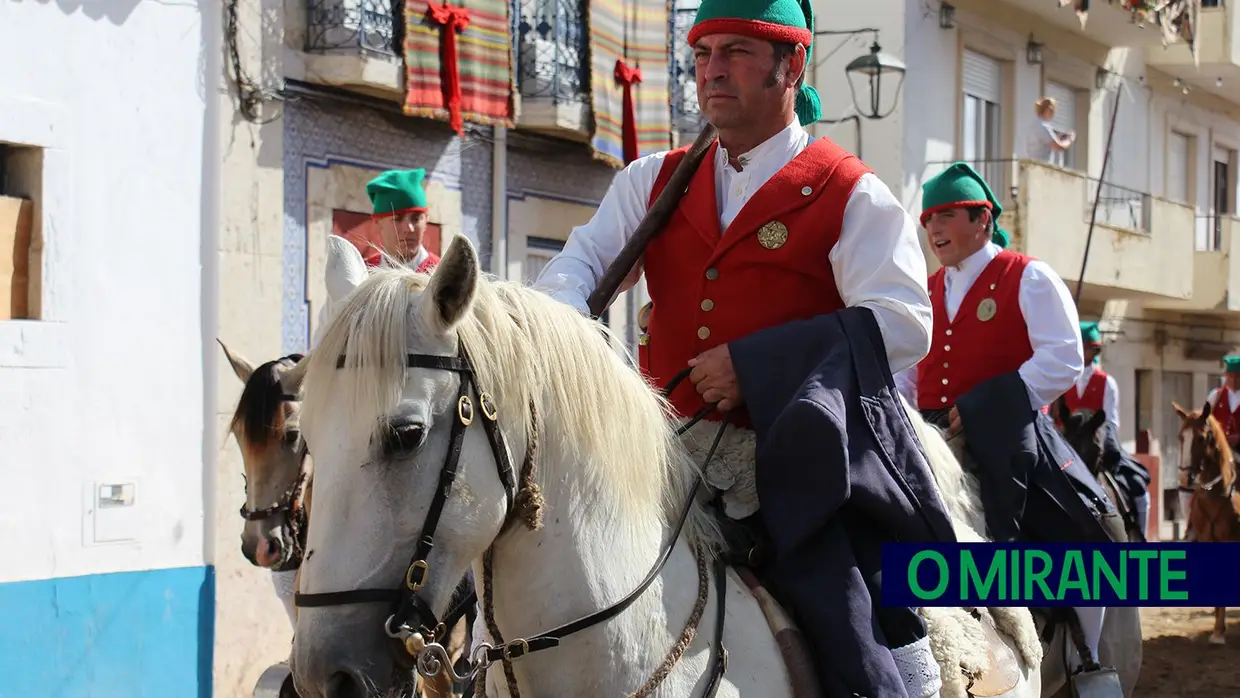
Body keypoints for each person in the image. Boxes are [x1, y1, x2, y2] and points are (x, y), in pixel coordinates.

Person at [532, 0, 958, 695]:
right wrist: (552, 333)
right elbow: (578, 268)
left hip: (794, 468)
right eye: (702, 55)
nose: (712, 71)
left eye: (736, 52)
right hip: (657, 455)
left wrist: (761, 366)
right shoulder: (651, 180)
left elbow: (906, 322)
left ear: (791, 66)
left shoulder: (850, 192)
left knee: (854, 638)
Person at [893, 162, 1120, 687]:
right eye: (928, 220)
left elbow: (1063, 358)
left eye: (946, 216)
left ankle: (1089, 662)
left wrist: (987, 403)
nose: (934, 230)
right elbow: (907, 370)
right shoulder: (922, 290)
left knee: (1094, 531)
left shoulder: (1028, 275)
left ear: (983, 219)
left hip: (1013, 435)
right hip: (927, 438)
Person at [1060, 322, 1152, 539]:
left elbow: (1110, 421)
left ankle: (1140, 539)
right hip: (1067, 445)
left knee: (1138, 486)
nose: (1083, 351)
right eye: (1079, 346)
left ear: (1095, 349)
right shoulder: (1062, 378)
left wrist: (1109, 449)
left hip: (1097, 444)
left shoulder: (1107, 382)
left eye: (1087, 347)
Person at [1026, 97, 1075, 163]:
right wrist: (1069, 139)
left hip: (1034, 164)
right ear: (1048, 109)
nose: (1053, 113)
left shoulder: (1035, 124)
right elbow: (1056, 146)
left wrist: (1060, 137)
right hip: (1041, 166)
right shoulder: (1043, 126)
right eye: (1052, 110)